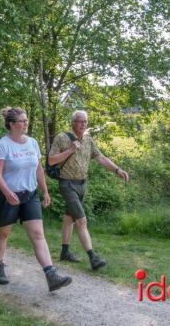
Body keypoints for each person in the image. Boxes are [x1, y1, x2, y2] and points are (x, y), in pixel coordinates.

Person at [0, 107, 72, 292]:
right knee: (4, 233)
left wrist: (45, 191)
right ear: (11, 124)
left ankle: (51, 275)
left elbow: (38, 169)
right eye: (22, 121)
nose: (26, 123)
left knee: (37, 234)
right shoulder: (3, 145)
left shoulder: (33, 143)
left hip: (30, 194)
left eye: (26, 120)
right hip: (7, 196)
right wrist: (6, 192)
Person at [48, 110, 129, 270]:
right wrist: (70, 150)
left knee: (69, 218)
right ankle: (93, 257)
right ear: (73, 123)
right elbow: (51, 160)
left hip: (82, 185)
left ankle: (65, 252)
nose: (84, 124)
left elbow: (101, 158)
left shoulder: (88, 140)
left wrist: (117, 170)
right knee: (81, 220)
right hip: (67, 184)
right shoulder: (62, 138)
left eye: (85, 122)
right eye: (80, 121)